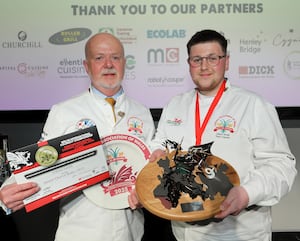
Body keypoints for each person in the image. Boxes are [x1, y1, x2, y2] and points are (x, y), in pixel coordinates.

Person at [129, 29, 297, 241]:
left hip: (238, 233)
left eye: (212, 58)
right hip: (184, 232)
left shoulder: (253, 105)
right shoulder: (175, 105)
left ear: (226, 62)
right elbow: (160, 143)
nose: (204, 66)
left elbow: (281, 166)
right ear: (189, 63)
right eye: (197, 59)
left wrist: (247, 193)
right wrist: (157, 151)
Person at [0, 32, 156, 241]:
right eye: (99, 58)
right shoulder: (64, 111)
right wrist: (6, 192)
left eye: (115, 57)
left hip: (130, 231)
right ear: (86, 66)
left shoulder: (142, 113)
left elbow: (151, 170)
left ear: (124, 63)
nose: (108, 64)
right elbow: (42, 160)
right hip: (80, 231)